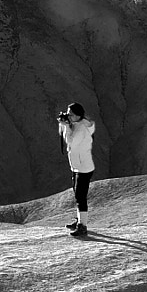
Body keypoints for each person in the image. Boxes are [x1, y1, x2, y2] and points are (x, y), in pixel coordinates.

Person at [56, 102, 96, 237]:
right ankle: (80, 221)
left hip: (83, 167)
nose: (68, 116)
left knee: (80, 196)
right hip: (78, 165)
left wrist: (66, 126)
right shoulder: (80, 124)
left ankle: (82, 226)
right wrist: (67, 124)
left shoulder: (81, 130)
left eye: (71, 114)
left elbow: (71, 142)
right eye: (68, 113)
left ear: (78, 115)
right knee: (78, 195)